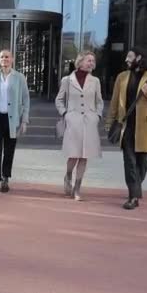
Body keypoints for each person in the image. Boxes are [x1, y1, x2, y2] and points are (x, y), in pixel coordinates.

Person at [105, 48, 147, 210]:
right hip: (126, 126)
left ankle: (136, 186)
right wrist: (109, 122)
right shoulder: (122, 77)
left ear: (139, 57)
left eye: (130, 56)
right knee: (129, 161)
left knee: (143, 161)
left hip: (146, 126)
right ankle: (133, 196)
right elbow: (114, 102)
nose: (126, 59)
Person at [55, 51, 103, 201]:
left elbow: (99, 101)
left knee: (84, 156)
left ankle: (77, 187)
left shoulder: (95, 81)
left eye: (93, 61)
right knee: (74, 155)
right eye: (88, 60)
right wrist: (65, 114)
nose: (91, 63)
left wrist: (98, 116)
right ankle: (68, 174)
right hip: (73, 121)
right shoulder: (67, 80)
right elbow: (59, 100)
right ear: (80, 62)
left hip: (90, 122)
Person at [0, 49, 30, 196]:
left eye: (7, 57)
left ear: (12, 59)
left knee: (9, 151)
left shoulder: (20, 78)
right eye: (2, 57)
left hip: (12, 120)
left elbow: (26, 100)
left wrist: (24, 121)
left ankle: (5, 178)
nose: (4, 59)